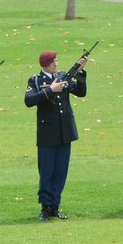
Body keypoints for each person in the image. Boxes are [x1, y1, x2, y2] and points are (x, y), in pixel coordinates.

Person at [25, 49, 87, 221]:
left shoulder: (62, 76)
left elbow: (81, 92)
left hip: (64, 132)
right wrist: (50, 90)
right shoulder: (36, 80)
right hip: (47, 133)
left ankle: (55, 205)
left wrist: (80, 73)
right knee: (47, 172)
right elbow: (29, 100)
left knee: (60, 172)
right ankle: (45, 206)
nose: (56, 63)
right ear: (45, 63)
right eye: (53, 61)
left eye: (56, 60)